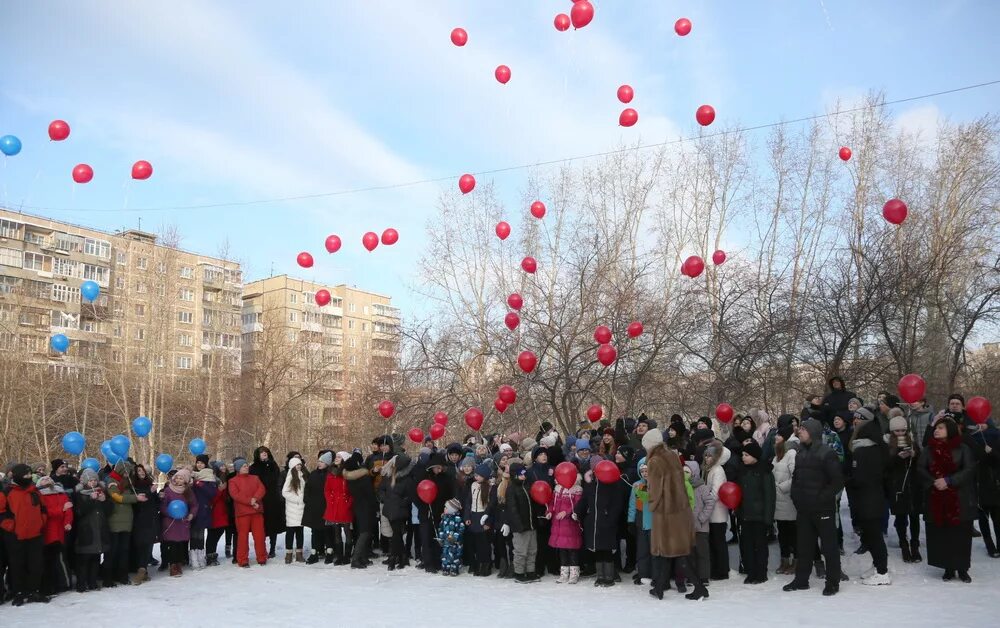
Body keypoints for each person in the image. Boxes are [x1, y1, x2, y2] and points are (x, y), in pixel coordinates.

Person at [643, 428, 709, 601]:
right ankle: (659, 588)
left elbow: (655, 491)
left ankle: (700, 588)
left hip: (666, 512)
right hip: (680, 509)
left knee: (677, 553)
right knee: (673, 551)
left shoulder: (654, 461)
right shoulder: (672, 455)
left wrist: (650, 502)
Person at [783, 418, 844, 596]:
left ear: (813, 432)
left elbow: (837, 482)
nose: (799, 431)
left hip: (823, 509)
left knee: (829, 547)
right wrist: (796, 497)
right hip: (804, 509)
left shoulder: (827, 453)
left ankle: (833, 582)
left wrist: (821, 498)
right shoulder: (800, 453)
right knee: (804, 546)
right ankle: (801, 580)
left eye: (803, 429)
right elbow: (796, 479)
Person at [918, 416, 976, 582]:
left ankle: (962, 568)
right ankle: (948, 567)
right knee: (941, 534)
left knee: (960, 535)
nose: (936, 430)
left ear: (949, 430)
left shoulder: (962, 448)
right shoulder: (929, 449)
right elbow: (921, 468)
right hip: (936, 497)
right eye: (936, 428)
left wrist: (949, 481)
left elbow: (969, 469)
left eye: (941, 428)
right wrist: (934, 482)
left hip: (959, 498)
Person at [847, 409, 891, 585]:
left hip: (870, 498)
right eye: (854, 418)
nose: (855, 421)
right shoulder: (864, 446)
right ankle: (877, 565)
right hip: (866, 498)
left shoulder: (868, 449)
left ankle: (882, 572)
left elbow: (862, 476)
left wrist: (847, 480)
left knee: (874, 535)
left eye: (859, 419)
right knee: (870, 535)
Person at [0, 464, 49, 605]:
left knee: (36, 565)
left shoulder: (34, 491)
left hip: (35, 535)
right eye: (26, 474)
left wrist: (41, 522)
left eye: (29, 474)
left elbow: (43, 508)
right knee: (17, 566)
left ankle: (35, 591)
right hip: (15, 536)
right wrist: (11, 527)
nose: (28, 477)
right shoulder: (7, 492)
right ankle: (19, 593)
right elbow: (1, 513)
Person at [576, 458, 626, 588]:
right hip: (594, 523)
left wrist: (611, 518)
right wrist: (576, 511)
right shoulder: (590, 486)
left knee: (607, 550)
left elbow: (617, 505)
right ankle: (600, 576)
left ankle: (609, 576)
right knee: (598, 550)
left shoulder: (613, 487)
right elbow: (583, 501)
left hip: (607, 523)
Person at [737, 440, 775, 584]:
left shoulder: (764, 471)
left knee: (760, 545)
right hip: (745, 515)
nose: (743, 457)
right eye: (742, 454)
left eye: (746, 455)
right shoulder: (743, 471)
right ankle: (751, 572)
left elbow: (769, 496)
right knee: (747, 545)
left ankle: (761, 572)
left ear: (755, 456)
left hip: (760, 516)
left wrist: (768, 519)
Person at [886, 415, 923, 563]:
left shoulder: (912, 442)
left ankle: (915, 545)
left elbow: (921, 462)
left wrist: (914, 455)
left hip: (913, 485)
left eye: (903, 430)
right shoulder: (887, 444)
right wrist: (897, 457)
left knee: (914, 517)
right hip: (897, 486)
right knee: (901, 518)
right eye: (897, 431)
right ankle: (904, 545)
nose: (900, 433)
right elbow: (885, 465)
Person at [105, 459, 145, 586]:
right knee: (113, 551)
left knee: (124, 550)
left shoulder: (128, 483)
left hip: (127, 521)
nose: (128, 474)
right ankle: (108, 577)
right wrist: (135, 498)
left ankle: (122, 575)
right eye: (126, 472)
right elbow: (116, 496)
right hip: (115, 521)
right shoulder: (112, 481)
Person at [965, 419, 1000, 558]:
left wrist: (992, 453)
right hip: (978, 485)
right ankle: (990, 546)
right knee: (983, 518)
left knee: (997, 519)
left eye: (984, 424)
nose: (980, 426)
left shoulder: (997, 437)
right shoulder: (971, 440)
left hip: (995, 484)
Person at [72, 468, 110, 593]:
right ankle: (81, 583)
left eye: (94, 480)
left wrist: (105, 502)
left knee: (96, 557)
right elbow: (79, 512)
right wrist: (91, 501)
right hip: (86, 530)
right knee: (84, 559)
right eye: (90, 481)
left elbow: (109, 511)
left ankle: (92, 582)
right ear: (85, 482)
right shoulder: (79, 494)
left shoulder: (101, 492)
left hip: (99, 529)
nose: (93, 483)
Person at [505, 460, 544, 582]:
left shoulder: (527, 486)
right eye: (520, 473)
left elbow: (533, 505)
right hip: (521, 527)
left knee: (532, 550)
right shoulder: (511, 489)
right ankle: (519, 573)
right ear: (514, 474)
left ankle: (530, 571)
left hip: (531, 525)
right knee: (521, 551)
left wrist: (539, 517)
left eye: (524, 473)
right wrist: (518, 525)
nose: (523, 475)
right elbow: (512, 509)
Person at [378, 453, 416, 571]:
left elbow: (410, 496)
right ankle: (402, 556)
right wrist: (385, 499)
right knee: (397, 534)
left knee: (396, 533)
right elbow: (381, 490)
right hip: (389, 508)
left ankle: (393, 558)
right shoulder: (388, 476)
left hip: (400, 510)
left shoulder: (407, 479)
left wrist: (401, 503)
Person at [36, 475, 72, 596]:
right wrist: (61, 510)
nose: (47, 479)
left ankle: (64, 583)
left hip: (60, 531)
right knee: (48, 561)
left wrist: (67, 522)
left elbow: (68, 510)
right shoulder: (39, 495)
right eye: (44, 479)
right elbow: (45, 512)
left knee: (61, 559)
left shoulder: (61, 494)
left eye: (48, 478)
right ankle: (49, 585)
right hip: (46, 531)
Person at [228, 457, 267, 568]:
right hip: (242, 513)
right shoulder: (233, 481)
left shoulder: (255, 478)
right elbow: (236, 495)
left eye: (247, 465)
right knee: (242, 537)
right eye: (244, 466)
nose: (247, 467)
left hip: (256, 511)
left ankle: (262, 557)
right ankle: (242, 559)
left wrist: (255, 498)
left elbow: (262, 489)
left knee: (260, 536)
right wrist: (251, 501)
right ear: (238, 468)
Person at [159, 468, 198, 577]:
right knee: (172, 544)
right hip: (170, 521)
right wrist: (170, 513)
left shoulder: (188, 491)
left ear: (185, 480)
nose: (178, 480)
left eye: (181, 478)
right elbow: (162, 505)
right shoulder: (168, 490)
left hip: (182, 521)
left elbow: (194, 505)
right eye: (177, 477)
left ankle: (178, 563)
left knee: (180, 544)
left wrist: (191, 514)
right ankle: (173, 566)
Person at [702, 440, 731, 580]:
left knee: (718, 541)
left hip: (717, 513)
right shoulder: (708, 470)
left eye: (709, 456)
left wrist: (704, 505)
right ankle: (715, 568)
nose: (706, 458)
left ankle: (722, 570)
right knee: (713, 541)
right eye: (705, 456)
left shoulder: (718, 470)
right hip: (710, 512)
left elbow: (716, 492)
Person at [550, 464, 583, 584]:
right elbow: (551, 503)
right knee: (562, 550)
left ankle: (574, 573)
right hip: (558, 524)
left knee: (572, 549)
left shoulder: (577, 489)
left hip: (570, 524)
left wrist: (567, 512)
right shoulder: (557, 489)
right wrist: (549, 512)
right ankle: (564, 573)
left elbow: (578, 505)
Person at [343, 451, 377, 568]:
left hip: (357, 506)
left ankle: (362, 557)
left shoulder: (348, 477)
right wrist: (375, 506)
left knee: (361, 532)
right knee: (365, 533)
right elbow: (370, 493)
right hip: (366, 506)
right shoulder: (364, 476)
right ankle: (356, 559)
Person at [249, 446, 283, 558]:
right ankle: (262, 549)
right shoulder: (253, 467)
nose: (264, 454)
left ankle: (272, 548)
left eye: (266, 452)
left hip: (272, 498)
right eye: (261, 452)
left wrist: (269, 465)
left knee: (273, 524)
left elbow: (276, 478)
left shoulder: (273, 465)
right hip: (260, 498)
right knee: (261, 525)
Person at [773, 424, 798, 575]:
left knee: (793, 533)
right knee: (782, 534)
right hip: (778, 502)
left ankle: (796, 562)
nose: (776, 437)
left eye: (779, 435)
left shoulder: (791, 453)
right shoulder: (778, 454)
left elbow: (796, 475)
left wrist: (782, 487)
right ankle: (784, 561)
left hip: (788, 500)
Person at [462, 463, 494, 576]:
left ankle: (486, 564)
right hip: (473, 516)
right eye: (476, 475)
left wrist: (488, 522)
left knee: (484, 543)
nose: (476, 477)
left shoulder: (490, 487)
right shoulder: (473, 485)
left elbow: (491, 506)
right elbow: (468, 502)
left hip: (483, 516)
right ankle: (477, 563)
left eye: (479, 475)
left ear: (484, 476)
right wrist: (467, 517)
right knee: (474, 542)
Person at [323, 452, 353, 565]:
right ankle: (339, 556)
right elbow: (326, 489)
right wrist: (330, 501)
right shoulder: (331, 472)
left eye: (339, 457)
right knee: (336, 532)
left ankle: (347, 556)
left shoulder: (348, 473)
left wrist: (348, 503)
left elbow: (352, 492)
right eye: (336, 457)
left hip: (345, 506)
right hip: (333, 506)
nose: (336, 458)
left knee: (347, 532)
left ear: (344, 459)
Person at [303, 451, 332, 563]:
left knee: (327, 531)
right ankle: (314, 553)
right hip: (314, 507)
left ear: (327, 463)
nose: (319, 463)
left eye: (322, 461)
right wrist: (307, 499)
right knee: (315, 531)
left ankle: (329, 552)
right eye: (319, 461)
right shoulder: (314, 474)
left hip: (326, 507)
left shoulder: (330, 475)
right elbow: (307, 488)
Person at [190, 463, 218, 570]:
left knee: (200, 534)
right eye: (197, 463)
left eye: (202, 463)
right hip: (193, 509)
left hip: (204, 509)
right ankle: (193, 558)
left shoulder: (209, 477)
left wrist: (199, 484)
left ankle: (200, 556)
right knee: (193, 534)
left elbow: (212, 493)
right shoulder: (192, 476)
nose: (199, 465)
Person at [281, 456, 307, 564]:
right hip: (292, 509)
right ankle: (288, 554)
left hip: (301, 509)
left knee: (300, 532)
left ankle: (299, 553)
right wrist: (297, 499)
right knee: (290, 532)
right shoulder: (290, 476)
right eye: (297, 465)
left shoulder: (303, 476)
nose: (299, 466)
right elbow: (285, 492)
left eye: (300, 464)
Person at [205, 465, 229, 567]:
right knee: (212, 535)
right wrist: (220, 490)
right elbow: (211, 499)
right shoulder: (210, 483)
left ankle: (212, 554)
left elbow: (224, 498)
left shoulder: (220, 481)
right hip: (213, 513)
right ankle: (210, 556)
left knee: (219, 532)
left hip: (222, 511)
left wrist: (223, 490)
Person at [438, 498, 465, 576]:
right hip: (446, 542)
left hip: (455, 543)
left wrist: (455, 537)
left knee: (455, 556)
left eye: (446, 507)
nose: (444, 509)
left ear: (451, 509)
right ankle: (446, 568)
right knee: (445, 555)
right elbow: (441, 528)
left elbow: (461, 529)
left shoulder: (458, 519)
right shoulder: (444, 518)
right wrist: (441, 537)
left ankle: (454, 568)